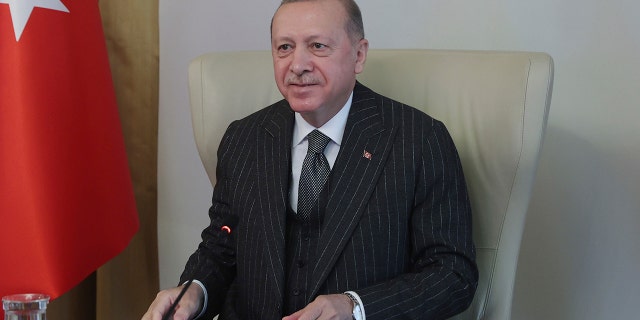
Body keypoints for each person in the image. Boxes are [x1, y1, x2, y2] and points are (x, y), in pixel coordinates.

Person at [142, 0, 478, 319]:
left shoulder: (419, 140)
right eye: (284, 47)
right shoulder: (244, 138)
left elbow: (452, 275)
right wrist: (194, 291)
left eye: (317, 46)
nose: (298, 65)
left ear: (359, 55)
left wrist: (355, 307)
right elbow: (223, 243)